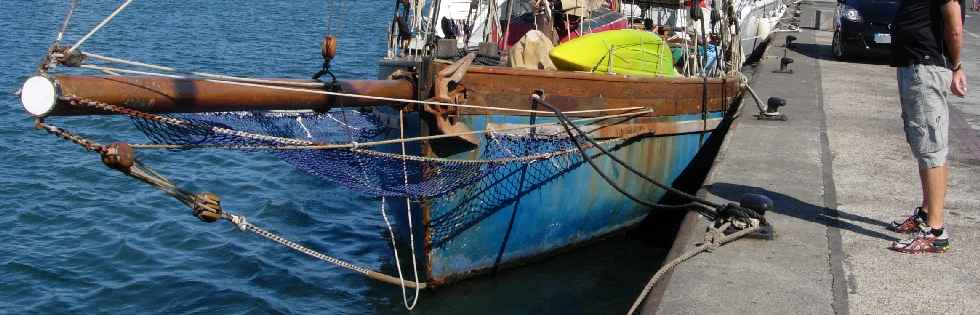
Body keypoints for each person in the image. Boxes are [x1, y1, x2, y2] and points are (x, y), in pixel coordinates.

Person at [888, 0, 968, 253]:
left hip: (925, 66)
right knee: (926, 147)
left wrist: (956, 67)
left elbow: (954, 27)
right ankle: (926, 213)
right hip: (914, 64)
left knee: (931, 148)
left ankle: (935, 231)